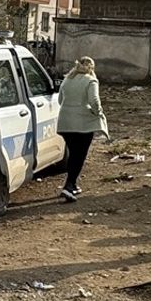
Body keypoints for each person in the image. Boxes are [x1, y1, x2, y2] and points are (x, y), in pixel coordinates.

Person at [56, 56, 108, 202]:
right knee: (80, 155)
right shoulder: (91, 80)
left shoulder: (67, 80)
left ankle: (73, 184)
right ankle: (69, 185)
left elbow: (60, 100)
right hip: (83, 123)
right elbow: (94, 100)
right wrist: (98, 112)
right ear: (91, 67)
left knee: (73, 153)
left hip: (65, 122)